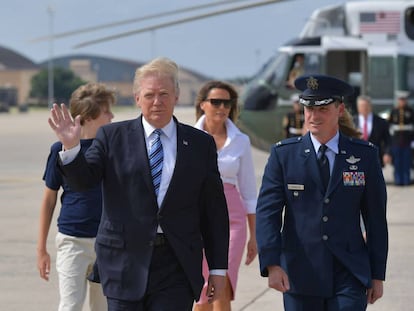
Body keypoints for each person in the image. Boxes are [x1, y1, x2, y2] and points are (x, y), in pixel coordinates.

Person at [47, 57, 230, 311]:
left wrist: (218, 269)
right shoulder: (111, 137)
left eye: (164, 93)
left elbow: (215, 212)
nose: (157, 101)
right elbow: (83, 181)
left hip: (176, 265)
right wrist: (71, 148)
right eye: (150, 94)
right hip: (124, 263)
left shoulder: (200, 144)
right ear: (137, 98)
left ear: (176, 96)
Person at [256, 74, 388, 311]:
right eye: (309, 109)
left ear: (340, 110)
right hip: (300, 272)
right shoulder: (284, 156)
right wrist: (272, 263)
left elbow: (376, 218)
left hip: (350, 271)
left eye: (323, 109)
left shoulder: (364, 155)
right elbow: (267, 213)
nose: (314, 116)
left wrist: (377, 274)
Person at [37, 82, 115, 311]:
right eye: (106, 111)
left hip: (108, 243)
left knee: (103, 308)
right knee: (70, 306)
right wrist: (41, 249)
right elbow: (49, 199)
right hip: (73, 241)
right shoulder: (59, 150)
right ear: (89, 116)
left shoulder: (113, 148)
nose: (112, 115)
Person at [193, 81, 257, 310]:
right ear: (203, 105)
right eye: (216, 102)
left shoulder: (241, 141)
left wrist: (254, 236)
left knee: (223, 286)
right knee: (200, 289)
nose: (222, 107)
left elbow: (249, 192)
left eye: (227, 102)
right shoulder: (187, 137)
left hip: (233, 221)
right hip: (197, 219)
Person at [354, 95, 391, 167]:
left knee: (374, 178)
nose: (364, 108)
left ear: (370, 106)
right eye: (362, 106)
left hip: (375, 159)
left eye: (366, 106)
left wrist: (387, 153)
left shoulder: (381, 122)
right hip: (356, 159)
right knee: (358, 178)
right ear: (358, 107)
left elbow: (388, 140)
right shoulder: (352, 122)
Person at [387, 90, 414, 185]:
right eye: (400, 100)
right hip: (396, 141)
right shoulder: (394, 111)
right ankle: (398, 180)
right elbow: (389, 124)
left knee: (406, 161)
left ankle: (406, 180)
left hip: (407, 140)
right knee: (397, 162)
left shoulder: (410, 111)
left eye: (404, 100)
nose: (402, 102)